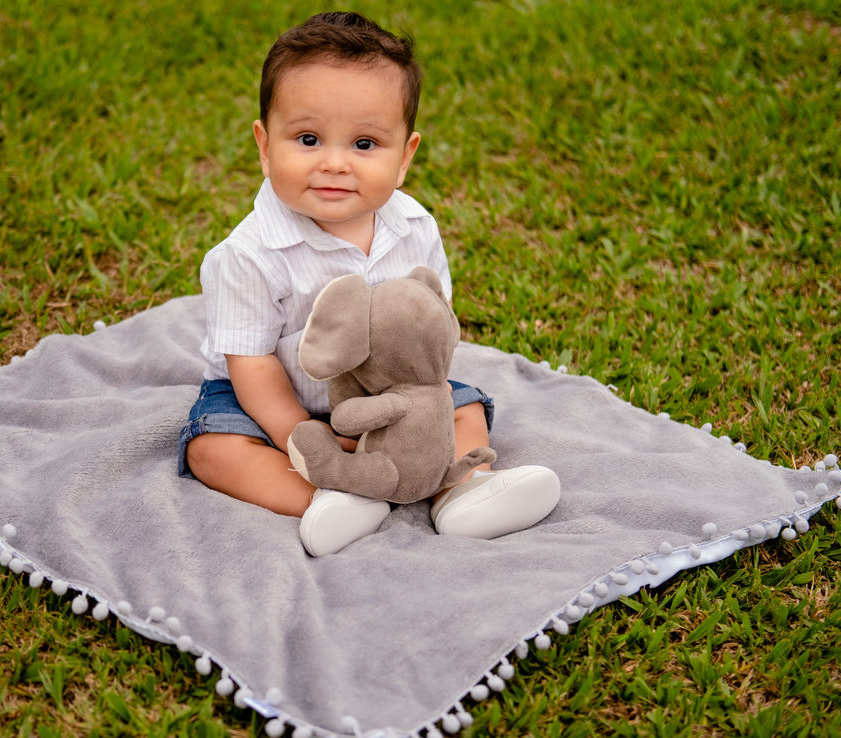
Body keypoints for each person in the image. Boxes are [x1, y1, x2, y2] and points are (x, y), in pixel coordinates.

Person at [178, 11, 560, 556]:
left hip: (390, 392)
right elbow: (252, 364)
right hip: (270, 401)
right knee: (212, 448)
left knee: (464, 406)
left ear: (404, 158)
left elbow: (433, 328)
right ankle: (326, 497)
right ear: (265, 147)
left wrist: (420, 404)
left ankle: (462, 489)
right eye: (308, 138)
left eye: (364, 144)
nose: (334, 163)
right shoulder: (248, 254)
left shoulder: (415, 228)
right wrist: (302, 436)